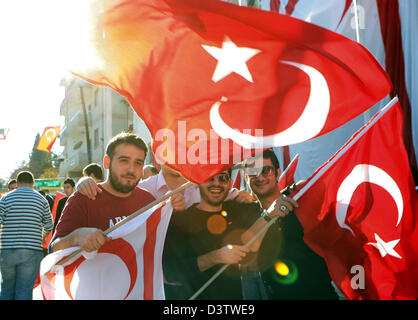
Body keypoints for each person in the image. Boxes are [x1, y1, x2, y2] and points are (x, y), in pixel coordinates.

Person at [162, 169, 296, 300]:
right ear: (198, 182)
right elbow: (170, 273)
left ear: (230, 183)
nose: (216, 183)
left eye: (223, 178)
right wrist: (215, 257)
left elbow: (266, 207)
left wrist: (295, 188)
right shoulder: (179, 221)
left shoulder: (238, 210)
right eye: (210, 178)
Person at [243, 149, 339, 300]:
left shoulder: (300, 200)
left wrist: (292, 190)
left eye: (266, 170)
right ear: (245, 177)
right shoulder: (249, 214)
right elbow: (245, 250)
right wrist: (269, 215)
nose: (259, 177)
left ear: (277, 173)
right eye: (253, 172)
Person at [50, 132, 155, 254]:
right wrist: (76, 237)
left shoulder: (149, 201)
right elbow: (53, 250)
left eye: (138, 163)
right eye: (124, 160)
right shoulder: (83, 199)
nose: (131, 169)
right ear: (107, 162)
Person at [0, 171, 53, 300]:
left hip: (7, 250)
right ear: (33, 184)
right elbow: (49, 225)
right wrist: (41, 236)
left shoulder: (6, 198)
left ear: (17, 183)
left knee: (7, 289)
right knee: (24, 290)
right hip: (31, 250)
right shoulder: (42, 200)